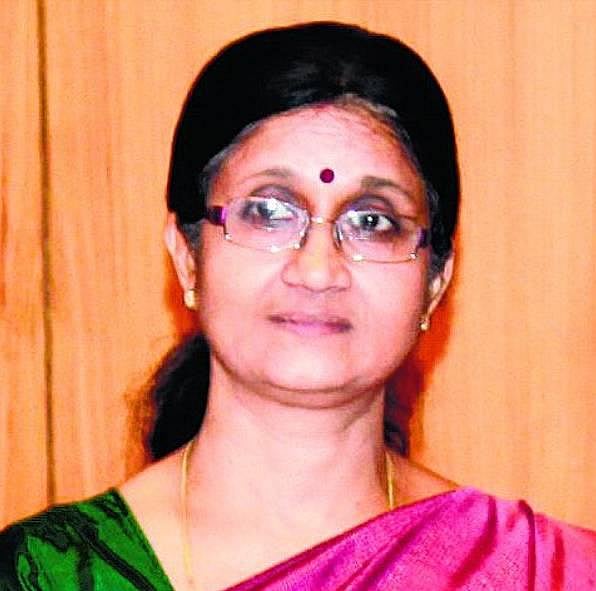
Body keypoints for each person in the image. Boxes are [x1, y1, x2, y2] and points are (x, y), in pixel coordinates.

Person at [1, 21, 594, 591]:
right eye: (268, 211)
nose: (317, 270)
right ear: (187, 256)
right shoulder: (47, 575)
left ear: (436, 281)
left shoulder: (541, 573)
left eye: (372, 222)